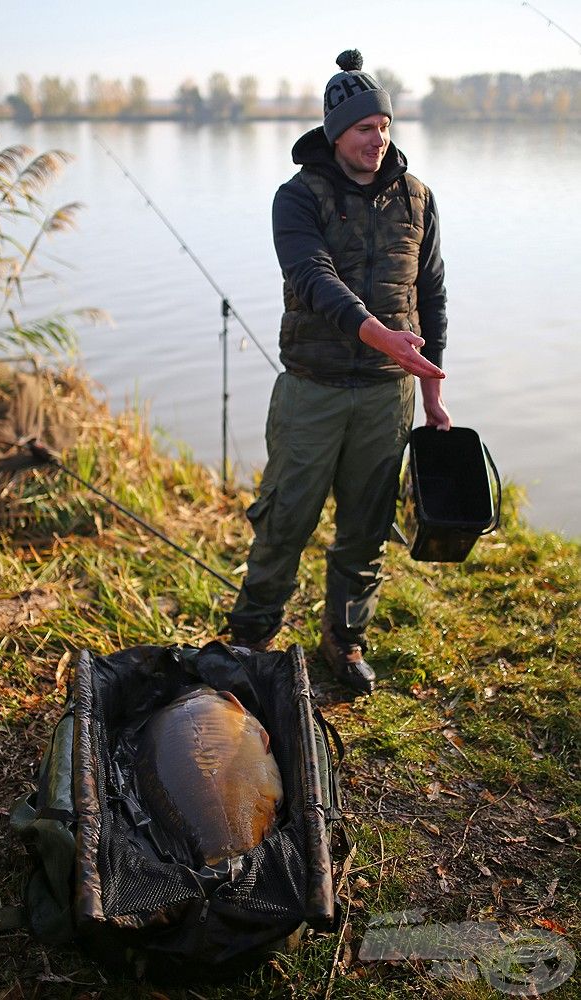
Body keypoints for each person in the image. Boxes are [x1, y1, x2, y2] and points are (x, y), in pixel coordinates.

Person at [227, 49, 451, 696]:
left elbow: (430, 295)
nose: (376, 139)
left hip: (388, 395)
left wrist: (432, 391)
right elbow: (310, 277)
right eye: (363, 128)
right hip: (313, 389)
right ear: (334, 133)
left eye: (382, 125)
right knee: (284, 519)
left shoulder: (417, 198)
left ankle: (344, 640)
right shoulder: (296, 198)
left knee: (367, 525)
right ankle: (250, 636)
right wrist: (377, 333)